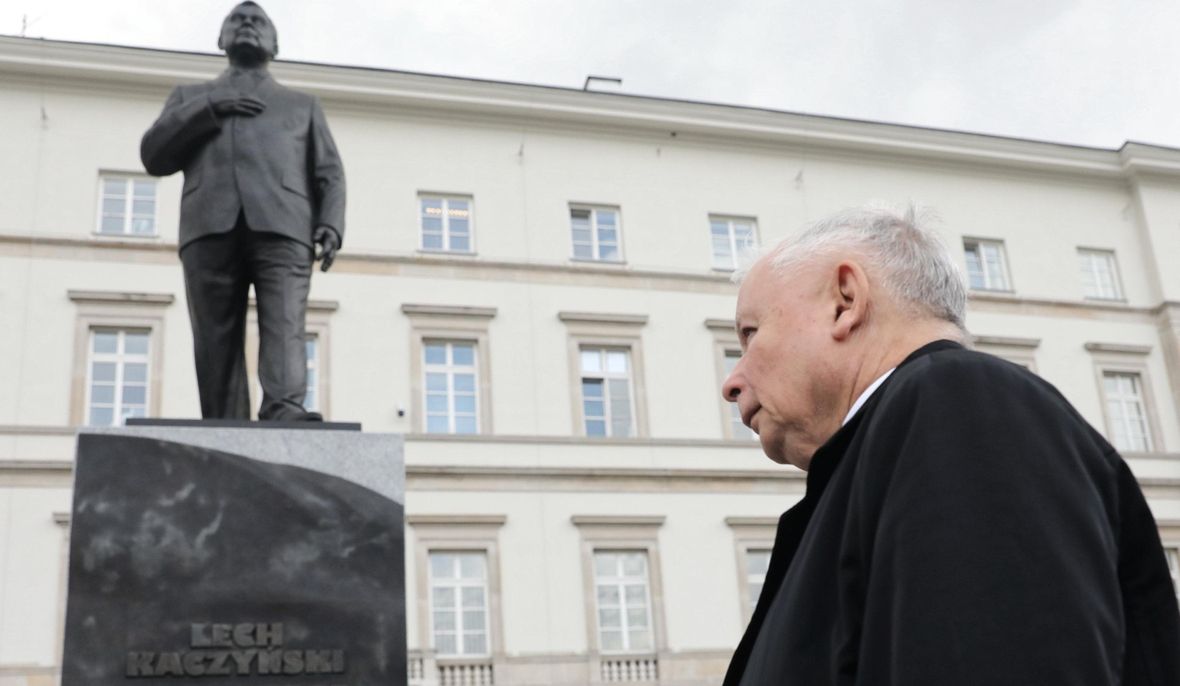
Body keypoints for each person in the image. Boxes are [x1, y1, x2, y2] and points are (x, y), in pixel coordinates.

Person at [721, 204, 1180, 685]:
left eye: (749, 335)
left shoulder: (956, 403)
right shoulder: (901, 444)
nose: (732, 382)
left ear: (845, 301)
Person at [140, 1, 345, 421]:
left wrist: (330, 223)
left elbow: (330, 172)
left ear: (275, 44)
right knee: (214, 334)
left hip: (284, 224)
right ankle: (223, 419)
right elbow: (154, 155)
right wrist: (211, 108)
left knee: (286, 321)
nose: (248, 22)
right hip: (208, 227)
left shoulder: (302, 105)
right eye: (237, 18)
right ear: (221, 40)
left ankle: (285, 408)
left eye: (258, 20)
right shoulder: (190, 97)